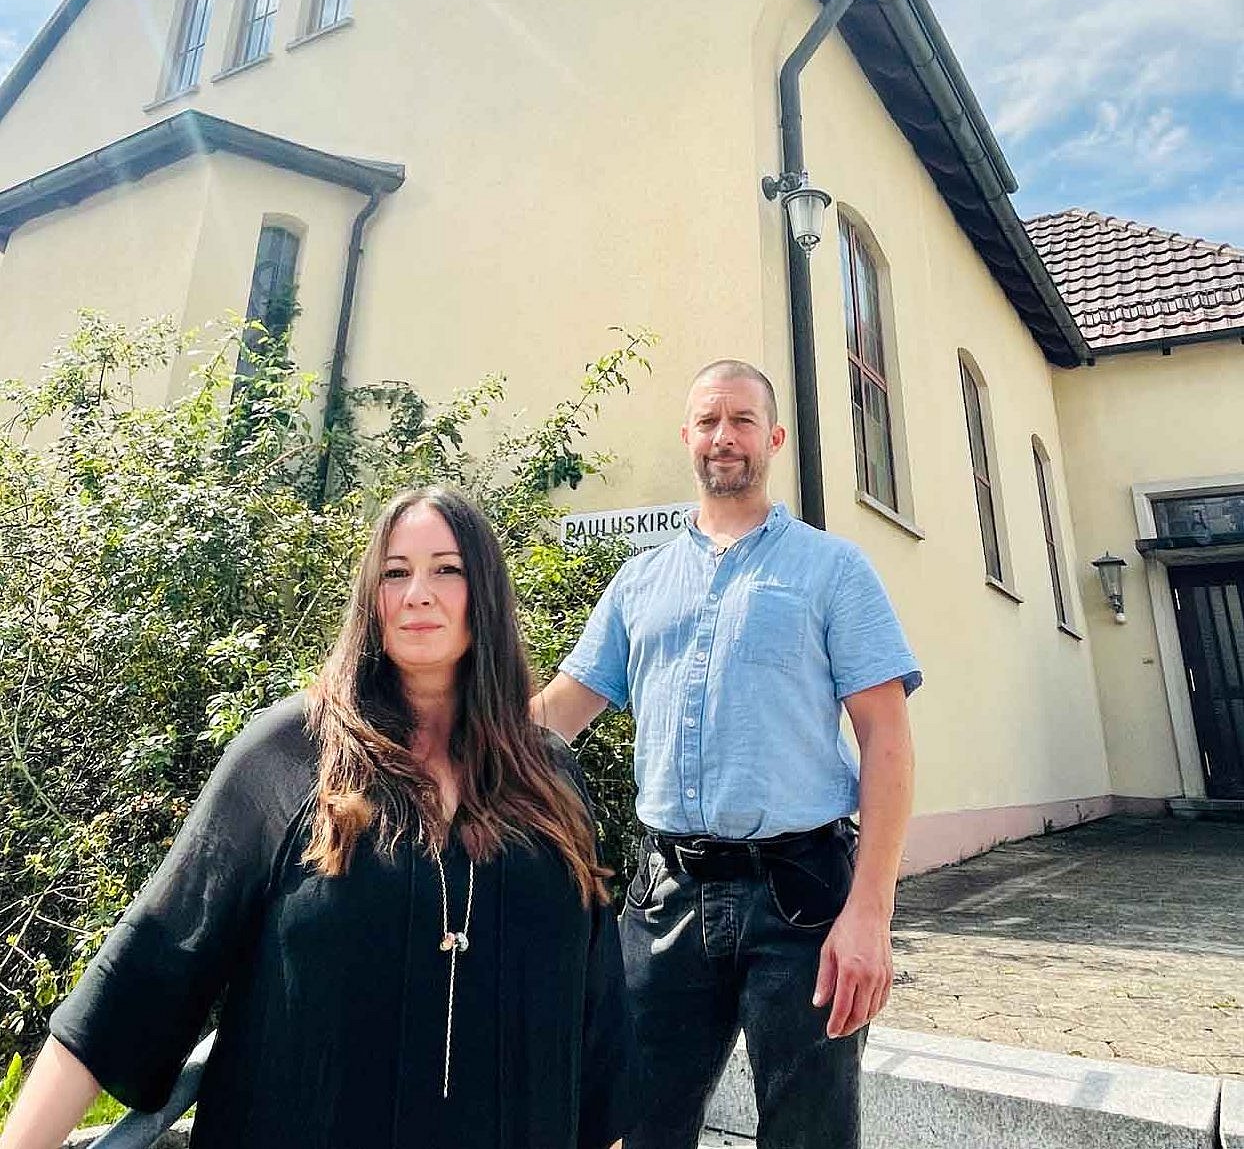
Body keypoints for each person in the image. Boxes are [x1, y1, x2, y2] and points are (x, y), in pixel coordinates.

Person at [1, 486, 635, 1149]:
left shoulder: (549, 775)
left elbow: (596, 1031)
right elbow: (145, 967)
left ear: (487, 593)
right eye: (395, 572)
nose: (418, 592)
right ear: (371, 598)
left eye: (447, 569)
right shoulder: (286, 756)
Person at [533, 360, 920, 1149]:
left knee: (809, 1134)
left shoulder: (832, 569)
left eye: (742, 420)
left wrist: (870, 913)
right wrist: (438, 746)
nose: (724, 438)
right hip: (664, 897)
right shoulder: (639, 582)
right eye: (708, 421)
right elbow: (552, 720)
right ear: (687, 437)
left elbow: (886, 738)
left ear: (773, 438)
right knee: (636, 1126)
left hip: (804, 899)